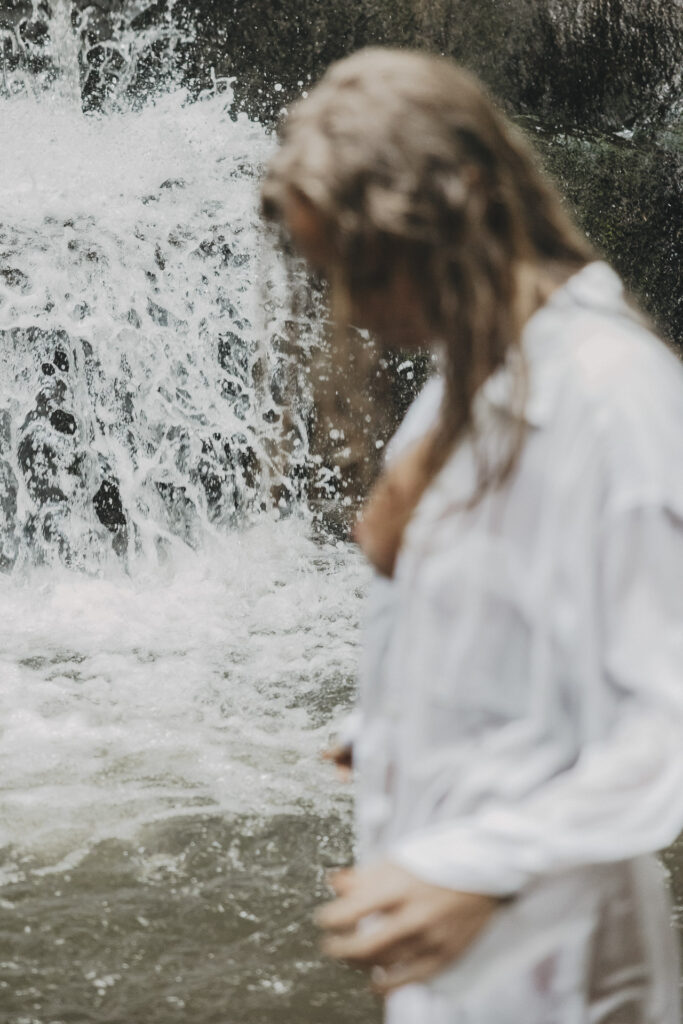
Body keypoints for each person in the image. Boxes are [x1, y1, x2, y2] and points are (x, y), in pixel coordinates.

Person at [261, 48, 683, 1024]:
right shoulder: (473, 384)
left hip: (564, 968)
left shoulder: (616, 404)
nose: (350, 309)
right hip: (464, 958)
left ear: (442, 225)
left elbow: (664, 719)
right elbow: (518, 633)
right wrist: (398, 726)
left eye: (357, 270)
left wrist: (481, 874)